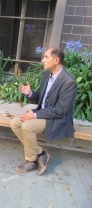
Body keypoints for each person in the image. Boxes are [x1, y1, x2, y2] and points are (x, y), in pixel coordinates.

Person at [10, 47, 77, 175]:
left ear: (56, 60)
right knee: (14, 123)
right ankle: (41, 153)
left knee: (27, 126)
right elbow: (41, 97)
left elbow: (61, 110)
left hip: (58, 120)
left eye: (46, 57)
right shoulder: (47, 74)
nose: (42, 60)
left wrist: (35, 115)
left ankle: (31, 160)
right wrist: (29, 93)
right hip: (44, 113)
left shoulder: (69, 81)